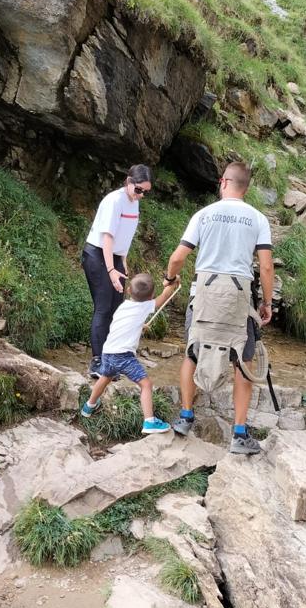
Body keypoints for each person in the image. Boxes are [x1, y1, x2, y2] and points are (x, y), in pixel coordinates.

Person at [163, 162, 274, 456]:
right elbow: (265, 265)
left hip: (204, 291)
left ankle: (186, 417)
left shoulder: (203, 215)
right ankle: (239, 434)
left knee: (192, 351)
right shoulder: (258, 219)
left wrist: (169, 279)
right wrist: (266, 302)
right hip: (239, 296)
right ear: (246, 189)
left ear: (223, 182)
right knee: (243, 360)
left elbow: (177, 258)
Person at [80, 273, 179, 435]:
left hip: (108, 352)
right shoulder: (146, 306)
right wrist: (173, 282)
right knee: (146, 384)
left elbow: (125, 324)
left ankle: (89, 406)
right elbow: (165, 295)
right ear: (151, 296)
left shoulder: (123, 306)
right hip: (123, 356)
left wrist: (140, 325)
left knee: (106, 377)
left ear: (128, 291)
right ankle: (149, 422)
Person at [82, 165, 153, 380]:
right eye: (138, 190)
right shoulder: (114, 201)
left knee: (116, 308)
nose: (140, 195)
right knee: (103, 307)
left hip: (115, 257)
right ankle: (97, 361)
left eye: (145, 193)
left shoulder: (134, 205)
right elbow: (107, 238)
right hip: (97, 255)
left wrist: (122, 261)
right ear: (128, 181)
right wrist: (111, 269)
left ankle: (110, 360)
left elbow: (126, 235)